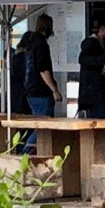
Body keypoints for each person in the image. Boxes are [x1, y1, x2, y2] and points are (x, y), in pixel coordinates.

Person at [22, 14, 62, 153]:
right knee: (43, 127)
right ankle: (24, 154)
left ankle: (32, 152)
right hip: (41, 91)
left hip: (30, 90)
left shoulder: (30, 42)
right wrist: (54, 90)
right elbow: (43, 69)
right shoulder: (41, 43)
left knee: (39, 125)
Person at [77, 17, 105, 118]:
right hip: (94, 91)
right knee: (98, 117)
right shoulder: (91, 42)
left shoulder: (101, 43)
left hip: (98, 90)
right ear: (103, 29)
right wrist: (102, 63)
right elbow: (83, 59)